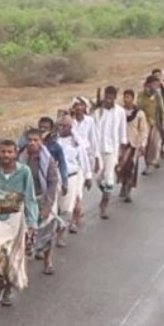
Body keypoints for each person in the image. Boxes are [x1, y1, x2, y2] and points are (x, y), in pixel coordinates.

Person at [0, 139, 38, 306]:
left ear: (16, 153)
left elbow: (30, 198)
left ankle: (7, 287)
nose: (6, 155)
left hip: (15, 217)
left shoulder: (24, 171)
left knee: (10, 255)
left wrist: (32, 223)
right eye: (3, 152)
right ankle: (0, 279)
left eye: (10, 152)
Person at [19, 129, 62, 275]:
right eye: (29, 140)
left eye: (35, 140)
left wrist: (47, 206)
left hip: (43, 199)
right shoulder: (20, 159)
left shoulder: (47, 160)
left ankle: (47, 260)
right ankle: (20, 269)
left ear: (41, 142)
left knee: (46, 231)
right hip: (25, 201)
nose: (32, 143)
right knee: (24, 234)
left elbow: (53, 182)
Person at [54, 116, 93, 244]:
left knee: (66, 209)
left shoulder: (76, 143)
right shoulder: (54, 141)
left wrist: (88, 176)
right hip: (54, 179)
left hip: (71, 178)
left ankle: (60, 236)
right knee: (53, 209)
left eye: (65, 126)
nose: (62, 128)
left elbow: (83, 160)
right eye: (60, 125)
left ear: (71, 128)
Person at [94, 86, 127, 220]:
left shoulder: (120, 112)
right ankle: (106, 193)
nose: (108, 100)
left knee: (109, 179)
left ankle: (104, 205)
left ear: (114, 98)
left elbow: (122, 131)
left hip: (112, 150)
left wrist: (122, 152)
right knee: (98, 178)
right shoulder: (98, 112)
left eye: (110, 98)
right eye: (106, 97)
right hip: (98, 150)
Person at [69, 97, 101, 233]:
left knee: (78, 192)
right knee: (73, 192)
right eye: (76, 105)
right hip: (71, 159)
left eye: (81, 105)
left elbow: (94, 140)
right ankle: (73, 217)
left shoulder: (89, 121)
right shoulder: (69, 123)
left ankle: (74, 220)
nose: (78, 108)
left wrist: (97, 157)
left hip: (85, 159)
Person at [120, 89, 149, 203]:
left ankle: (128, 191)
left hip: (133, 144)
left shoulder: (139, 114)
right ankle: (123, 183)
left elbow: (143, 130)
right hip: (122, 144)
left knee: (131, 168)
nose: (126, 99)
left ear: (133, 98)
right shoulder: (120, 112)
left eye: (128, 97)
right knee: (121, 167)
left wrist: (142, 144)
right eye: (124, 97)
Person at [136, 75, 164, 171]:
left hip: (155, 122)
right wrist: (146, 94)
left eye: (157, 85)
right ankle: (148, 164)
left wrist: (163, 121)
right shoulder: (141, 95)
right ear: (148, 84)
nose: (156, 86)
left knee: (154, 143)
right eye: (154, 84)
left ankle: (154, 159)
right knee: (146, 144)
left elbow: (162, 108)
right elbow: (138, 106)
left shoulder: (157, 95)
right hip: (144, 122)